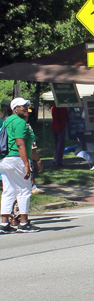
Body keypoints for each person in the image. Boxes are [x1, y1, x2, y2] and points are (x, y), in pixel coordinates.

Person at [0, 98, 42, 233]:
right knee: (24, 190)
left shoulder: (7, 121)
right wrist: (26, 163)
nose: (25, 108)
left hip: (5, 160)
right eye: (22, 106)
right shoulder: (20, 123)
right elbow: (20, 143)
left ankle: (4, 223)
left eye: (26, 106)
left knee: (8, 191)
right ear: (14, 109)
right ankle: (24, 223)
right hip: (16, 159)